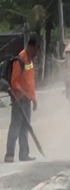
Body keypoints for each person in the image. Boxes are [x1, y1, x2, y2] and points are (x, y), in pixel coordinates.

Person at [4, 35, 39, 163]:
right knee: (15, 126)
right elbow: (14, 82)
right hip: (18, 100)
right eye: (35, 50)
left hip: (27, 100)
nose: (36, 53)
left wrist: (33, 98)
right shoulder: (20, 60)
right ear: (30, 47)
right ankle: (9, 155)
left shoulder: (29, 61)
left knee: (25, 127)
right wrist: (22, 93)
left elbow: (30, 82)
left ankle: (24, 154)